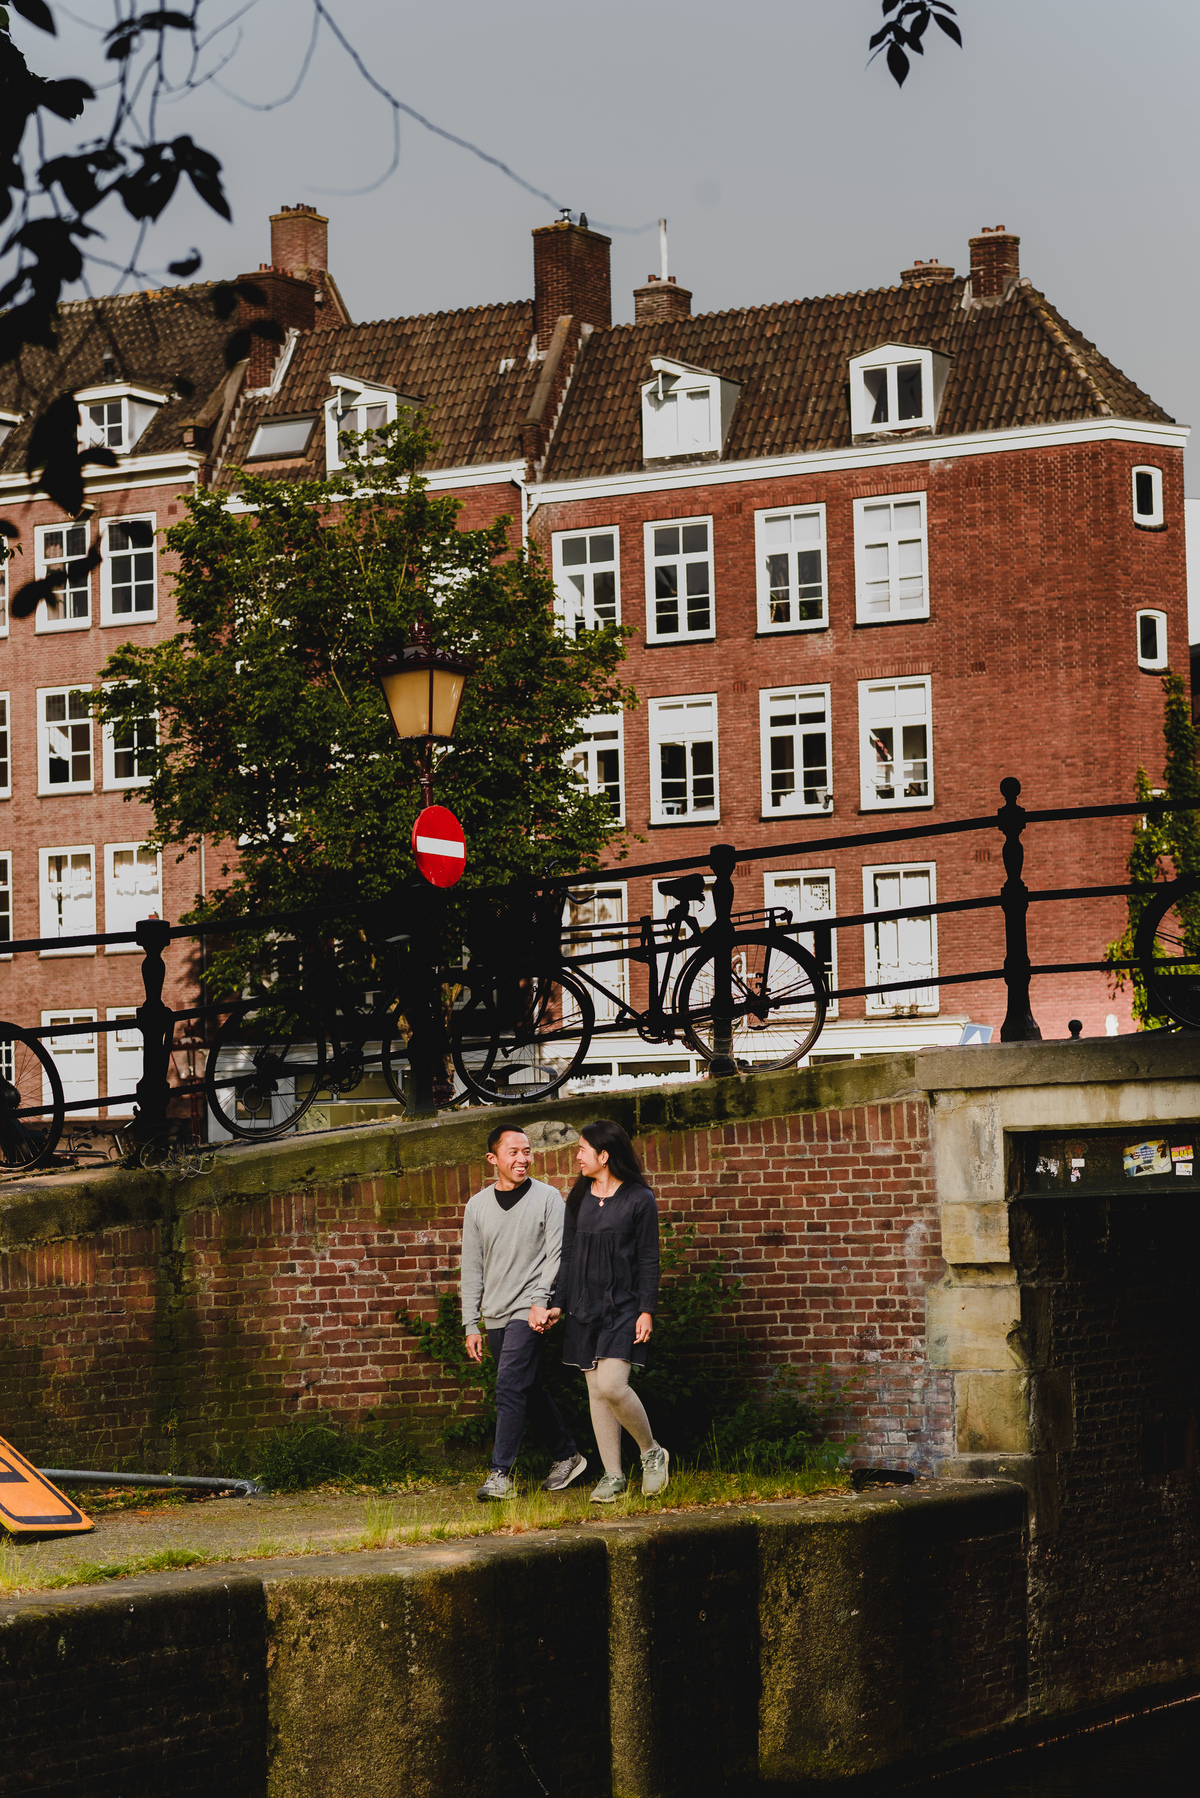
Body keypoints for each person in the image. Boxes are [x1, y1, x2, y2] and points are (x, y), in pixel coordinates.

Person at [461, 1123, 588, 1503]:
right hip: (496, 1313)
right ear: (493, 1159)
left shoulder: (548, 1198)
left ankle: (500, 1475)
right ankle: (567, 1455)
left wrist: (541, 1300)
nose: (522, 1158)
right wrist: (471, 1323)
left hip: (528, 1310)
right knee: (527, 1387)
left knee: (509, 1386)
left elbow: (557, 1255)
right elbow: (472, 1267)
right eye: (513, 1152)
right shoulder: (477, 1206)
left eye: (527, 1151)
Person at [546, 1118, 670, 1502]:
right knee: (596, 1394)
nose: (576, 1156)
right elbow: (568, 1255)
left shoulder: (638, 1198)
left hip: (624, 1306)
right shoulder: (579, 1196)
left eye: (582, 1149)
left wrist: (646, 1309)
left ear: (604, 1154)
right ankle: (613, 1475)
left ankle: (652, 1452)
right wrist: (558, 1303)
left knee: (612, 1385)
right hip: (584, 1306)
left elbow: (649, 1260)